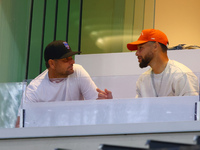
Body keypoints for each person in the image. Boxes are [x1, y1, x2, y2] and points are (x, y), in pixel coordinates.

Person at [16, 40, 112, 127]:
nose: (72, 62)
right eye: (66, 59)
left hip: (77, 132)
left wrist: (105, 102)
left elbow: (97, 107)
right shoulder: (34, 88)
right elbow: (20, 124)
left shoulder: (77, 71)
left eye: (71, 58)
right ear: (52, 64)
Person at [127, 29, 199, 98]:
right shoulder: (142, 80)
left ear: (155, 46)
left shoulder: (181, 75)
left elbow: (191, 108)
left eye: (141, 48)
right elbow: (139, 109)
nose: (136, 53)